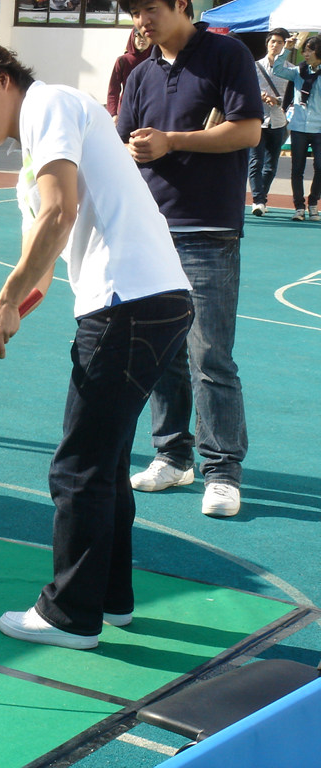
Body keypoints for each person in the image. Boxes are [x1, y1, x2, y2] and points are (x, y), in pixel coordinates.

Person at [0, 39, 192, 650]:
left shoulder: (48, 104)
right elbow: (42, 268)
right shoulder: (35, 154)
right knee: (103, 465)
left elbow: (59, 216)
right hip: (151, 302)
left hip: (128, 304)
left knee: (78, 467)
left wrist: (2, 306)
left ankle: (69, 615)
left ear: (0, 80)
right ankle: (109, 599)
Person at [116, 0, 261, 518]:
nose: (142, 20)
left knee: (210, 355)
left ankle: (222, 471)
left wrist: (171, 141)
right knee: (162, 354)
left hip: (207, 231)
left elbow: (247, 130)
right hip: (150, 231)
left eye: (150, 8)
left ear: (182, 5)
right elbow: (122, 142)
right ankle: (173, 455)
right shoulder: (140, 74)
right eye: (134, 12)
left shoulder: (226, 54)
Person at [272, 34, 321, 222]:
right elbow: (277, 69)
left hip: (319, 128)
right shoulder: (298, 71)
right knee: (297, 168)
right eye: (305, 50)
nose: (306, 54)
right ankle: (299, 207)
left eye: (310, 50)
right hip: (299, 126)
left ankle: (314, 201)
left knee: (320, 166)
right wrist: (287, 49)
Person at [248, 28, 293, 217]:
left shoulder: (290, 69)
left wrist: (278, 101)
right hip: (257, 120)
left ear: (285, 45)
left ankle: (261, 198)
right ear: (267, 43)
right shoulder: (254, 65)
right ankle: (258, 200)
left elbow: (292, 97)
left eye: (279, 42)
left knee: (271, 165)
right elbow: (246, 89)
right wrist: (260, 95)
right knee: (255, 162)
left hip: (278, 121)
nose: (275, 45)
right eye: (272, 41)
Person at [105, 28, 150, 122]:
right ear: (132, 38)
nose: (142, 40)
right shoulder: (123, 61)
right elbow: (113, 89)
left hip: (149, 111)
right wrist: (113, 114)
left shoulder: (156, 61)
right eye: (139, 36)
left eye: (146, 36)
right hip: (127, 110)